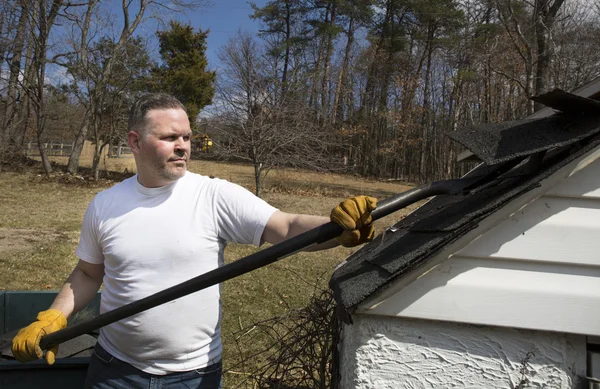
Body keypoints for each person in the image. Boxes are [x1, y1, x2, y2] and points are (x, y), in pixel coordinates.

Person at [11, 93, 377, 389]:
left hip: (193, 375)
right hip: (114, 370)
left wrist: (335, 226)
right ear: (135, 142)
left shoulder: (213, 196)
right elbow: (90, 273)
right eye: (170, 137)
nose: (183, 146)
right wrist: (55, 316)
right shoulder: (105, 204)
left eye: (186, 137)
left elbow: (284, 226)